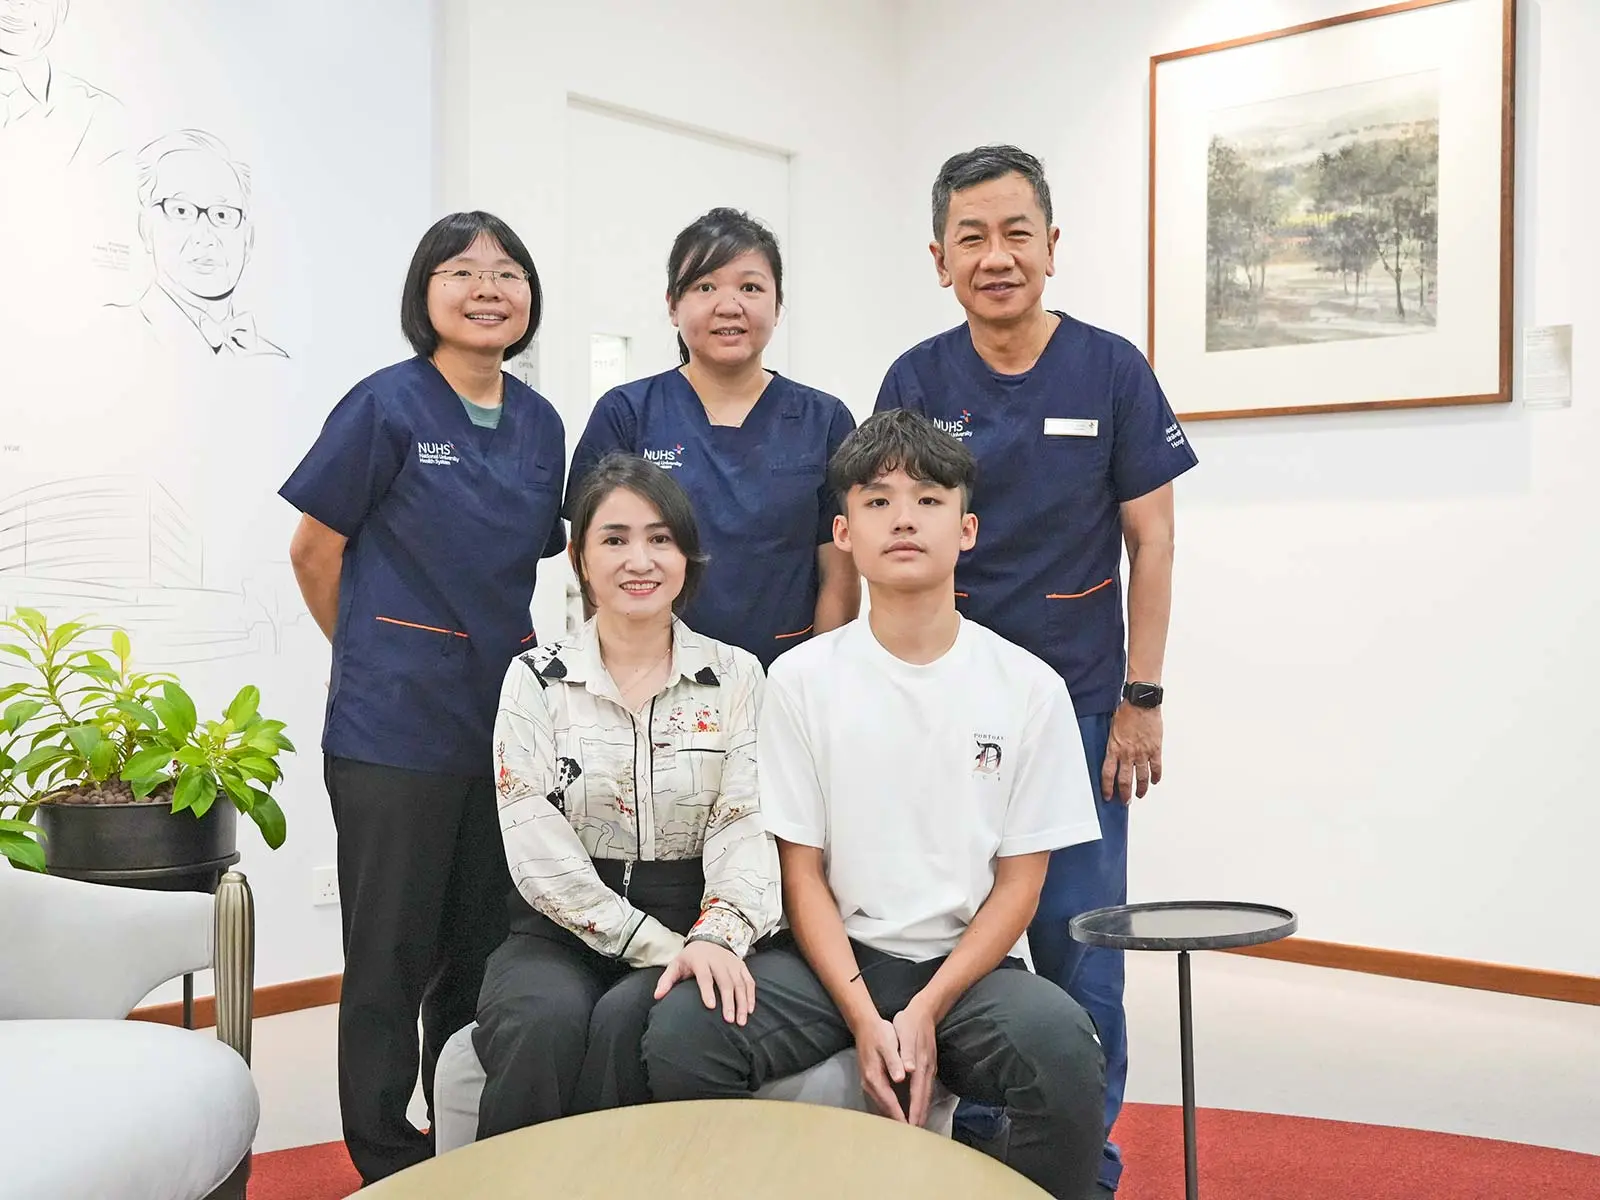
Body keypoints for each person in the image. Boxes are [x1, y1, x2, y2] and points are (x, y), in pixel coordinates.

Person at [645, 410, 1108, 1200]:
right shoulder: (800, 679)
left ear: (966, 531)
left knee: (1063, 1050)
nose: (903, 518)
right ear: (844, 531)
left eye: (928, 501)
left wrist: (928, 1007)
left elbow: (1022, 885)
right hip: (834, 963)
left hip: (967, 966)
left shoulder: (1027, 686)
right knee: (685, 1035)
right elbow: (802, 874)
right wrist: (866, 1017)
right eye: (878, 500)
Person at [873, 145, 1200, 1194]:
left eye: (1017, 233)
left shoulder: (1110, 369)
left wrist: (1139, 700)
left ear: (1053, 246)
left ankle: (1077, 1168)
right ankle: (962, 1150)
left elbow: (1152, 540)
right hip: (940, 710)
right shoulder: (917, 381)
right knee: (936, 936)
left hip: (1078, 712)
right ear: (938, 258)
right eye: (971, 237)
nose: (996, 256)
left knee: (1078, 949)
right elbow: (887, 535)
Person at [278, 211, 567, 1184]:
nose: (488, 287)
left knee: (483, 952)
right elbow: (315, 551)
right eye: (461, 270)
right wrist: (372, 655)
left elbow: (524, 567)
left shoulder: (540, 425)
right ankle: (385, 1159)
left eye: (507, 272)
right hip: (391, 731)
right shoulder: (386, 405)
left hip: (503, 731)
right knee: (389, 956)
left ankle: (461, 1142)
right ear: (425, 294)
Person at [475, 452, 780, 1137]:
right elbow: (536, 850)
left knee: (628, 1021)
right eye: (614, 539)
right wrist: (656, 944)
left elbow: (746, 825)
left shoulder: (736, 676)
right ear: (582, 558)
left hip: (694, 911)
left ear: (687, 556)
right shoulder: (536, 678)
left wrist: (714, 938)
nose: (637, 560)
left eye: (659, 538)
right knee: (537, 1022)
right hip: (557, 924)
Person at [566, 207, 858, 668]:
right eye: (705, 287)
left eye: (751, 287)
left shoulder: (824, 420)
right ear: (672, 304)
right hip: (656, 678)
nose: (729, 305)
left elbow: (839, 573)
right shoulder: (626, 414)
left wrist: (821, 682)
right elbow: (595, 561)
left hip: (784, 672)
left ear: (778, 306)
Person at [111, 129, 288, 358]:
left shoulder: (272, 359)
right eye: (181, 210)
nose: (204, 236)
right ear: (145, 229)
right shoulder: (114, 334)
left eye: (222, 215)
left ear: (248, 240)